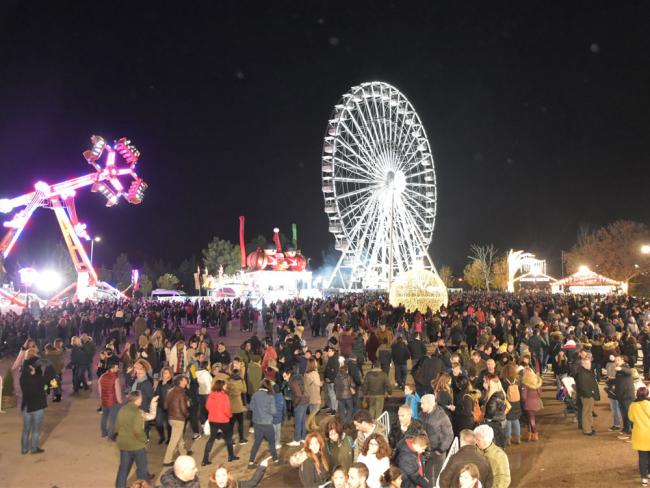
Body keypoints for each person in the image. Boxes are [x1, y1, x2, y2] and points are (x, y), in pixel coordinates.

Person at [19, 356, 56, 454]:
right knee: (36, 430)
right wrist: (50, 365)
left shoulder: (22, 378)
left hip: (26, 406)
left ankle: (24, 449)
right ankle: (34, 448)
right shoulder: (38, 379)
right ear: (32, 368)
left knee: (26, 429)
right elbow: (51, 377)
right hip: (37, 407)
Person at [115, 391, 151, 488]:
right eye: (141, 399)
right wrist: (145, 439)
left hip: (123, 444)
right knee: (142, 469)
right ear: (137, 400)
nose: (142, 400)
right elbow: (137, 431)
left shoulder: (122, 409)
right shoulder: (137, 412)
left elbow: (117, 427)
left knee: (123, 469)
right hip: (137, 446)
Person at [419, 393, 454, 482]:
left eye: (423, 403)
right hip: (426, 450)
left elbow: (449, 435)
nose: (421, 406)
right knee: (427, 475)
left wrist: (441, 449)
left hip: (437, 451)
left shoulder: (441, 416)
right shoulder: (422, 414)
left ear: (430, 404)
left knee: (438, 476)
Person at [203, 379, 238, 465]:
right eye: (225, 385)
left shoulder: (211, 395)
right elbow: (226, 409)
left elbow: (207, 406)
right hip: (223, 420)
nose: (226, 386)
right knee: (228, 438)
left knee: (211, 439)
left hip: (213, 420)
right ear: (222, 386)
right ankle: (231, 456)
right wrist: (230, 416)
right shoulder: (224, 396)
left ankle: (205, 459)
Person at [248, 379, 279, 468]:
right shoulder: (270, 397)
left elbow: (251, 407)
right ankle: (275, 460)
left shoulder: (255, 394)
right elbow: (273, 411)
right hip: (267, 423)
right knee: (272, 442)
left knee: (257, 442)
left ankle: (251, 462)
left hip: (257, 423)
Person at [164, 375, 191, 466]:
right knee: (174, 440)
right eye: (184, 379)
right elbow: (183, 408)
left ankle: (183, 452)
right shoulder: (181, 392)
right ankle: (167, 460)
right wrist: (187, 414)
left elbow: (165, 406)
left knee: (179, 437)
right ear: (180, 381)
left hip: (171, 418)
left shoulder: (169, 391)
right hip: (179, 418)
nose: (186, 380)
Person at [628, 386, 650, 486]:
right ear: (647, 394)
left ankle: (644, 478)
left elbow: (631, 418)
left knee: (642, 456)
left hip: (639, 434)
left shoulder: (633, 405)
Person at [574, 355, 600, 436]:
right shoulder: (582, 373)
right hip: (587, 396)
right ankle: (587, 430)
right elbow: (583, 386)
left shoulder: (585, 371)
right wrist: (590, 394)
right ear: (582, 364)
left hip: (588, 395)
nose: (588, 365)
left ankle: (589, 427)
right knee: (587, 413)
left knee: (588, 412)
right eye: (585, 363)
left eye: (588, 363)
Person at [99, 358, 124, 440]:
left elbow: (100, 390)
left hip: (104, 401)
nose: (118, 369)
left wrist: (101, 399)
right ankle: (110, 436)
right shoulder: (115, 379)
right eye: (116, 367)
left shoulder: (102, 377)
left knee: (104, 417)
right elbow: (118, 392)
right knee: (113, 420)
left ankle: (104, 433)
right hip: (113, 402)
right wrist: (120, 402)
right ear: (112, 368)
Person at [284, 368, 310, 446]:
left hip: (300, 402)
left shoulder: (293, 381)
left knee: (298, 422)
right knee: (302, 420)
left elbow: (298, 395)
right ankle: (303, 437)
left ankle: (297, 439)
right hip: (305, 401)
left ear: (289, 374)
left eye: (285, 376)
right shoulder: (298, 378)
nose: (284, 377)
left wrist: (295, 404)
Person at [614, 355, 636, 440]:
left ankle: (629, 432)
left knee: (628, 414)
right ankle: (626, 429)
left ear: (623, 361)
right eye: (615, 360)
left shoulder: (625, 367)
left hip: (627, 396)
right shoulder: (619, 369)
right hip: (621, 396)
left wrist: (621, 369)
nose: (616, 362)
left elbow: (629, 372)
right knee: (624, 414)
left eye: (618, 360)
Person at [500, 363, 522, 445]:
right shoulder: (517, 380)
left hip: (508, 402)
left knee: (508, 420)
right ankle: (518, 437)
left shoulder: (503, 381)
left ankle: (508, 439)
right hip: (516, 402)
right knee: (516, 420)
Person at [520, 367, 542, 442]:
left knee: (531, 419)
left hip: (528, 403)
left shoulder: (525, 383)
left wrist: (523, 402)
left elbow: (523, 396)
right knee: (530, 419)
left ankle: (535, 433)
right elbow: (540, 393)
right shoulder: (537, 381)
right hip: (536, 403)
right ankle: (529, 434)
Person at [227, 368, 248, 444]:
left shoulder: (228, 382)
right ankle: (241, 439)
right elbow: (244, 390)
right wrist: (243, 381)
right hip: (238, 406)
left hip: (230, 406)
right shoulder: (240, 382)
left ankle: (231, 440)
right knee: (240, 423)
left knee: (231, 424)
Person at [155, 367, 174, 444]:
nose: (165, 374)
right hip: (160, 406)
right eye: (164, 373)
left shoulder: (172, 383)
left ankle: (169, 438)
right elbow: (156, 393)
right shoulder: (160, 382)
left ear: (170, 374)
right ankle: (162, 436)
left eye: (166, 373)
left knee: (169, 424)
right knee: (158, 423)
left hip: (169, 407)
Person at [304, 358, 323, 431]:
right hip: (315, 393)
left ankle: (313, 424)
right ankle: (307, 423)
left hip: (309, 393)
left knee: (312, 409)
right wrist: (322, 382)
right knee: (316, 409)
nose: (316, 363)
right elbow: (318, 383)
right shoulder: (314, 373)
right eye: (315, 362)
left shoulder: (306, 373)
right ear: (313, 364)